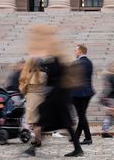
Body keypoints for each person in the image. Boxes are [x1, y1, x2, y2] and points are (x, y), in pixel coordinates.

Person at [30, 24, 83, 157]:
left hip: (57, 95)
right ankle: (78, 149)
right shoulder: (56, 58)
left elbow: (55, 73)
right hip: (58, 94)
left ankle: (34, 147)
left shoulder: (56, 59)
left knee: (44, 117)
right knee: (59, 121)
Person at [19, 57, 47, 156]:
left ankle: (37, 141)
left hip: (31, 99)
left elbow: (22, 89)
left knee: (34, 123)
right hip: (42, 99)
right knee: (39, 121)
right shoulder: (44, 75)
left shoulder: (27, 75)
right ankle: (37, 140)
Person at [70, 44, 94, 145]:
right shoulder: (89, 62)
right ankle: (76, 136)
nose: (74, 52)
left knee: (81, 115)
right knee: (82, 115)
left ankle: (88, 138)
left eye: (76, 50)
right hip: (87, 92)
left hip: (79, 93)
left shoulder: (77, 63)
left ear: (80, 51)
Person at [100, 63, 114, 138]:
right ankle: (105, 131)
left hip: (113, 98)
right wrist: (105, 97)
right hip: (111, 98)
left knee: (111, 115)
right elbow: (108, 87)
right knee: (110, 115)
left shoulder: (113, 76)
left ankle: (105, 130)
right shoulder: (111, 76)